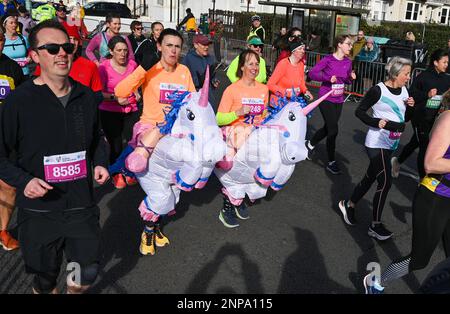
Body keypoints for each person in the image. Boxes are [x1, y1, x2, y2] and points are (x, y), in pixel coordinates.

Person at [0, 20, 109, 294]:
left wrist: (101, 162)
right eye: (51, 48)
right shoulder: (19, 101)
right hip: (40, 212)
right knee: (46, 280)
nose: (62, 53)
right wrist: (24, 181)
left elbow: (98, 139)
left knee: (83, 275)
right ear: (35, 56)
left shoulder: (86, 97)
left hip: (80, 208)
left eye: (67, 46)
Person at [114, 28, 195, 255]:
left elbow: (192, 103)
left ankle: (156, 224)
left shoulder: (185, 72)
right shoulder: (150, 69)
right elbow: (120, 91)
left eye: (177, 46)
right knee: (158, 189)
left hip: (175, 134)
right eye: (169, 45)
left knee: (173, 185)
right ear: (159, 46)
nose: (173, 50)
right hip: (150, 130)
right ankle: (148, 228)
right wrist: (142, 68)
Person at [363, 97, 450, 294]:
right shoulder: (448, 119)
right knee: (419, 260)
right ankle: (376, 282)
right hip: (435, 197)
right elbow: (431, 163)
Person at [338, 57, 415, 241]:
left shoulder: (404, 90)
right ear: (396, 74)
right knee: (386, 181)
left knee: (369, 178)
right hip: (376, 142)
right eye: (406, 74)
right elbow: (360, 111)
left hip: (391, 143)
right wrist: (376, 122)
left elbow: (405, 119)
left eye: (409, 74)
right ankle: (375, 226)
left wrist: (410, 107)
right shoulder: (377, 90)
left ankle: (349, 204)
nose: (408, 77)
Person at [216, 49, 269, 228]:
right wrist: (237, 113)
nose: (255, 67)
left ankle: (239, 199)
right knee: (233, 170)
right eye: (250, 63)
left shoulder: (264, 89)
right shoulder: (232, 89)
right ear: (241, 67)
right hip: (235, 135)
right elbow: (219, 118)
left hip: (255, 135)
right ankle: (227, 207)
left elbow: (264, 115)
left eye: (257, 64)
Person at [391, 49, 450, 179]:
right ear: (435, 62)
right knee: (424, 146)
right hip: (419, 116)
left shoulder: (447, 79)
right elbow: (411, 95)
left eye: (447, 62)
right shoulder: (423, 77)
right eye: (444, 62)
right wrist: (427, 95)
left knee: (415, 142)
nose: (446, 64)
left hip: (434, 119)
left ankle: (397, 161)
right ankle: (423, 179)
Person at [306, 35, 356, 175]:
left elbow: (345, 79)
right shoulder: (328, 59)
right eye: (348, 44)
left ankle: (310, 144)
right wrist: (327, 78)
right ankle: (331, 162)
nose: (350, 47)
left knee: (329, 128)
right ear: (339, 44)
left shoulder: (347, 62)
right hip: (326, 98)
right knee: (333, 130)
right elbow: (312, 73)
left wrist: (350, 78)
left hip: (339, 99)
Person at [98, 36, 139, 189]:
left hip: (131, 109)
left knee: (132, 142)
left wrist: (136, 91)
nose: (123, 54)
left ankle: (128, 171)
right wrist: (115, 98)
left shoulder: (132, 65)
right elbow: (98, 92)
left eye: (125, 51)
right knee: (115, 145)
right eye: (119, 51)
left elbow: (136, 84)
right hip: (110, 110)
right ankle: (116, 173)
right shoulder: (104, 67)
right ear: (111, 51)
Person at [34, 23, 103, 105]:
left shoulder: (90, 66)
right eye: (69, 39)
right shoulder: (47, 64)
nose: (73, 43)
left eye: (76, 39)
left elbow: (97, 95)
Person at [0, 27, 24, 251]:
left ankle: (3, 231)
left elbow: (22, 103)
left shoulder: (12, 68)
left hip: (7, 136)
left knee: (8, 186)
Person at [2, 11, 31, 77]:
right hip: (8, 75)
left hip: (24, 73)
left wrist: (29, 58)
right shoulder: (1, 39)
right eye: (11, 23)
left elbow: (30, 51)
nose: (14, 25)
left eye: (15, 23)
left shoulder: (23, 38)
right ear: (5, 25)